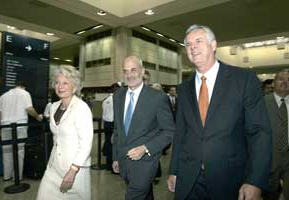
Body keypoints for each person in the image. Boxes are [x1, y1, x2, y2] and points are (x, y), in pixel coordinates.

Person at [167, 24, 272, 200]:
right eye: (188, 44)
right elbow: (181, 133)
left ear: (214, 45)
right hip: (189, 178)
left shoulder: (243, 80)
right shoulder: (184, 89)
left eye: (198, 41)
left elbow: (259, 132)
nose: (192, 47)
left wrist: (255, 180)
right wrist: (174, 170)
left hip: (230, 179)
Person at [112, 55, 174, 200]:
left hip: (145, 163)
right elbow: (117, 130)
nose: (129, 75)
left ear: (142, 71)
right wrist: (116, 157)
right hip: (124, 161)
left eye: (133, 70)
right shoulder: (118, 96)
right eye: (125, 71)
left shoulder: (157, 98)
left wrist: (146, 148)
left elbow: (169, 131)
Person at [36, 65, 93, 200]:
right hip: (54, 167)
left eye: (65, 83)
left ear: (75, 87)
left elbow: (86, 143)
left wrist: (73, 170)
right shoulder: (54, 106)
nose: (60, 86)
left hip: (74, 169)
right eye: (57, 82)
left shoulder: (81, 108)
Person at [0, 81, 43, 181]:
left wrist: (0, 126)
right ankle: (17, 177)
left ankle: (7, 176)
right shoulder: (25, 94)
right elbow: (29, 109)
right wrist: (38, 116)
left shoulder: (3, 96)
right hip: (19, 126)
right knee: (19, 151)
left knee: (7, 151)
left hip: (5, 126)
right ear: (23, 87)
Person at [264, 69, 289, 200]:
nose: (285, 82)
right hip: (270, 158)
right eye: (281, 79)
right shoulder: (262, 103)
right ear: (273, 83)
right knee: (271, 194)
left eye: (288, 80)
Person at [102, 82, 120, 170]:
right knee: (114, 145)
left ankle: (108, 164)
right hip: (114, 124)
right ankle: (113, 165)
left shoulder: (106, 99)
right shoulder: (116, 100)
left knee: (108, 143)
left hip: (106, 124)